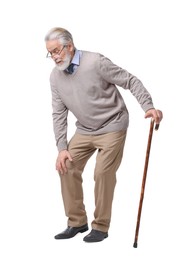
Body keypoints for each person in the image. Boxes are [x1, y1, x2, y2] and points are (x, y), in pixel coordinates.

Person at [45, 27, 163, 243]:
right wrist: (62, 148)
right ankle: (76, 222)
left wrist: (148, 106)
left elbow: (130, 80)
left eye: (56, 51)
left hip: (112, 125)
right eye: (50, 53)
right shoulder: (55, 77)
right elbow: (58, 113)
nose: (53, 57)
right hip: (85, 129)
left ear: (69, 46)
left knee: (102, 173)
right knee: (66, 167)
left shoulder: (95, 62)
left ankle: (100, 227)